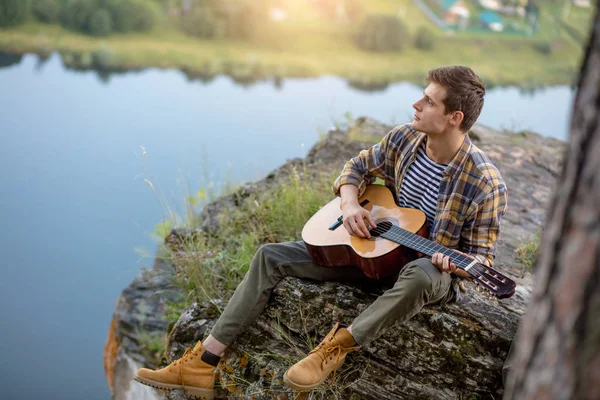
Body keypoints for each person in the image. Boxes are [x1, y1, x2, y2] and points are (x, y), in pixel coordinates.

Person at [134, 65, 508, 399]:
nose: (416, 104)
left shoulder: (485, 182)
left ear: (454, 117)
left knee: (424, 274)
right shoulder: (404, 139)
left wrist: (453, 263)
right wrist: (349, 205)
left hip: (424, 270)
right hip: (373, 254)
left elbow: (481, 259)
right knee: (270, 256)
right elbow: (355, 169)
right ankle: (203, 362)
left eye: (427, 101)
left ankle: (336, 347)